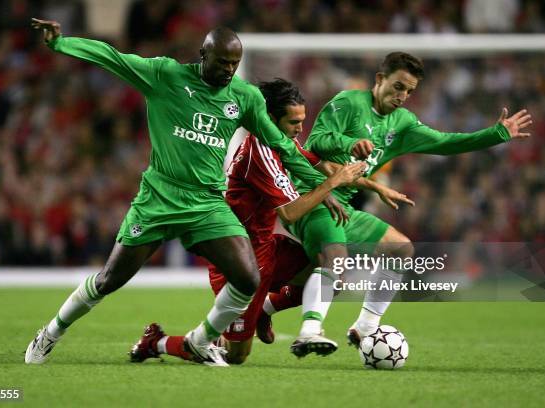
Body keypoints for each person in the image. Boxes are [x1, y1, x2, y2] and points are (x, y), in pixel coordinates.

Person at [24, 19, 349, 367]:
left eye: (234, 64)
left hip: (207, 203)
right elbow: (112, 57)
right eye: (222, 62)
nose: (228, 70)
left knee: (248, 278)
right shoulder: (166, 75)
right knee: (109, 280)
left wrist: (318, 184)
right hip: (159, 199)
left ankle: (199, 341)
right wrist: (62, 44)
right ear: (203, 54)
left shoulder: (245, 97)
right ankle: (51, 332)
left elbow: (283, 147)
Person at [128, 78, 412, 364]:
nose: (301, 129)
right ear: (271, 119)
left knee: (329, 267)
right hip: (240, 262)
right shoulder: (260, 152)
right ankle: (158, 342)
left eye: (302, 120)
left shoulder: (281, 142)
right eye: (293, 122)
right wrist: (331, 185)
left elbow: (319, 164)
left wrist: (374, 186)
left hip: (267, 248)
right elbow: (289, 212)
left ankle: (264, 310)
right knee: (235, 355)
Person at [286, 51, 532, 355]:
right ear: (380, 79)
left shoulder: (402, 123)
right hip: (312, 195)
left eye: (410, 91)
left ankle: (364, 327)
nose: (403, 95)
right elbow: (316, 141)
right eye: (398, 86)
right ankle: (309, 332)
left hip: (345, 207)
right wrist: (350, 143)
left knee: (400, 249)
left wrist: (496, 134)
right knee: (335, 260)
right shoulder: (349, 102)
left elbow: (445, 142)